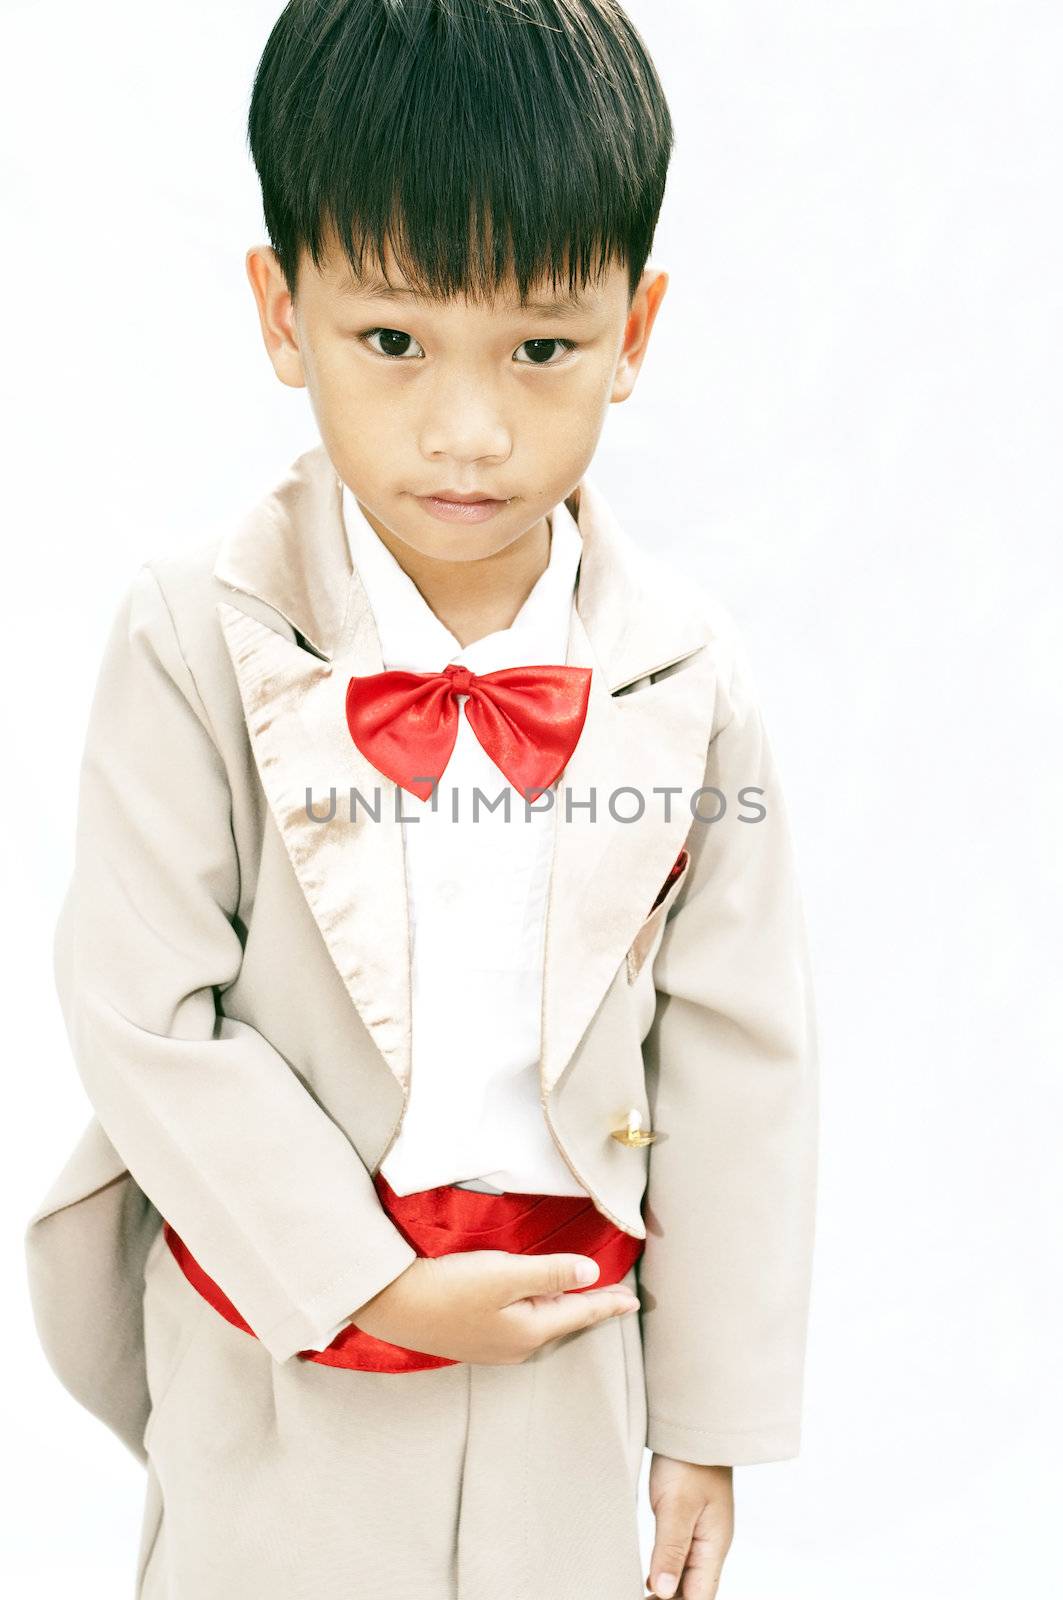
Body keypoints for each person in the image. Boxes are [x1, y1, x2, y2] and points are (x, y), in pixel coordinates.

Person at [24, 3, 819, 1596]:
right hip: (285, 1343)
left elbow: (740, 1060)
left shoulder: (687, 678)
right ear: (282, 308)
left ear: (636, 329)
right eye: (394, 341)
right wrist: (363, 1278)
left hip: (564, 1350)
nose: (471, 431)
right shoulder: (197, 638)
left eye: (542, 348)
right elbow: (144, 1013)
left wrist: (707, 1420)